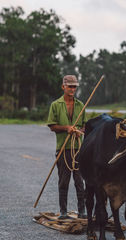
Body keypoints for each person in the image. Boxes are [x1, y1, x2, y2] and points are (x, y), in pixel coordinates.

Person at [47, 75, 87, 219]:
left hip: (78, 149)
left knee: (79, 181)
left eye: (74, 86)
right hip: (63, 149)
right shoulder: (55, 105)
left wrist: (79, 131)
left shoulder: (80, 105)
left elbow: (84, 126)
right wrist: (66, 128)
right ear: (63, 87)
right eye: (70, 86)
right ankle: (63, 212)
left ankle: (82, 211)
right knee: (63, 181)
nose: (72, 89)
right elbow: (52, 126)